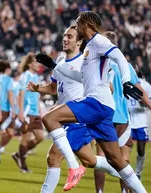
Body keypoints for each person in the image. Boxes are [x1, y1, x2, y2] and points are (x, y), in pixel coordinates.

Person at [38, 11, 147, 192]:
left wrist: (126, 81)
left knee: (49, 119)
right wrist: (54, 66)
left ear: (86, 24)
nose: (76, 26)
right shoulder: (89, 48)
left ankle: (74, 167)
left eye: (78, 23)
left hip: (96, 102)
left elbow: (120, 57)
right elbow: (80, 76)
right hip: (103, 108)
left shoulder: (98, 41)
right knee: (116, 160)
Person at [30, 25, 120, 193]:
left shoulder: (84, 62)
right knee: (90, 161)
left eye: (70, 36)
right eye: (64, 36)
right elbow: (54, 88)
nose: (65, 39)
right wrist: (38, 88)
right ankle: (125, 174)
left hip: (77, 118)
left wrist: (105, 87)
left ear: (79, 42)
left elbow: (105, 84)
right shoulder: (61, 63)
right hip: (64, 118)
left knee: (53, 157)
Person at [94, 31, 151, 193]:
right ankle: (125, 191)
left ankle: (100, 192)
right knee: (123, 159)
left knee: (100, 159)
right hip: (122, 118)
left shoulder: (97, 64)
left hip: (104, 117)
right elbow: (140, 92)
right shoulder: (126, 66)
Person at [11, 52, 44, 173]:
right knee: (25, 138)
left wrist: (40, 110)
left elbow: (36, 95)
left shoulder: (36, 77)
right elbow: (21, 94)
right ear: (30, 64)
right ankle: (23, 166)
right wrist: (20, 112)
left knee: (40, 137)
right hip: (27, 111)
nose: (38, 64)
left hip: (35, 112)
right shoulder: (25, 76)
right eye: (36, 62)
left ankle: (19, 155)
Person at [128, 69, 151, 179]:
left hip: (141, 121)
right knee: (126, 148)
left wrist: (144, 102)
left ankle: (138, 172)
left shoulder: (146, 85)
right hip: (128, 120)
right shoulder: (125, 81)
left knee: (141, 148)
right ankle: (127, 173)